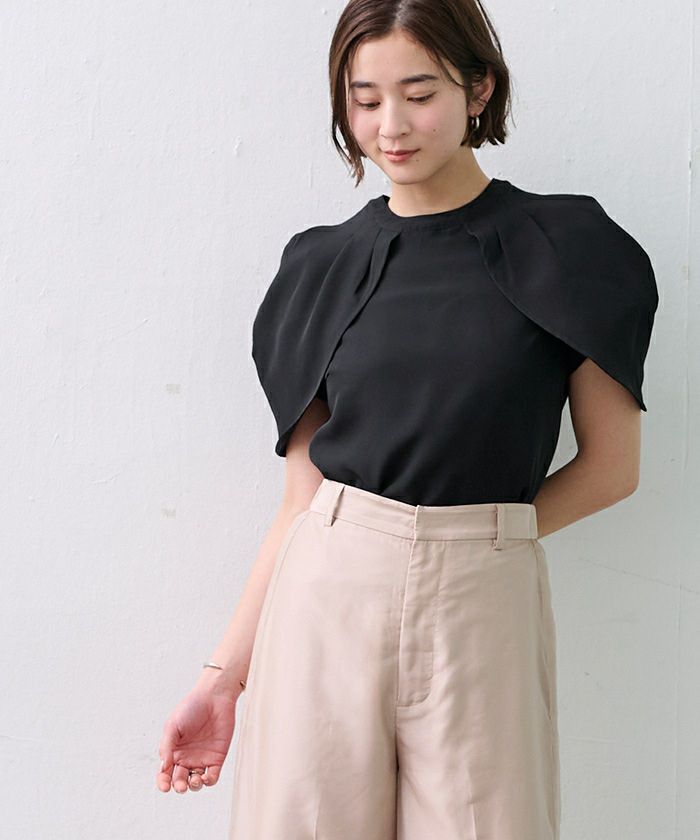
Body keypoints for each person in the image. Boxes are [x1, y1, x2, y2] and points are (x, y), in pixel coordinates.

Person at [156, 1, 659, 838]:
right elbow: (301, 499)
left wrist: (483, 539)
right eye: (365, 100)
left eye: (419, 94)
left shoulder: (568, 249)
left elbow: (613, 468)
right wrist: (221, 678)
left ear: (478, 90)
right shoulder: (319, 268)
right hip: (329, 593)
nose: (390, 125)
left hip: (484, 596)